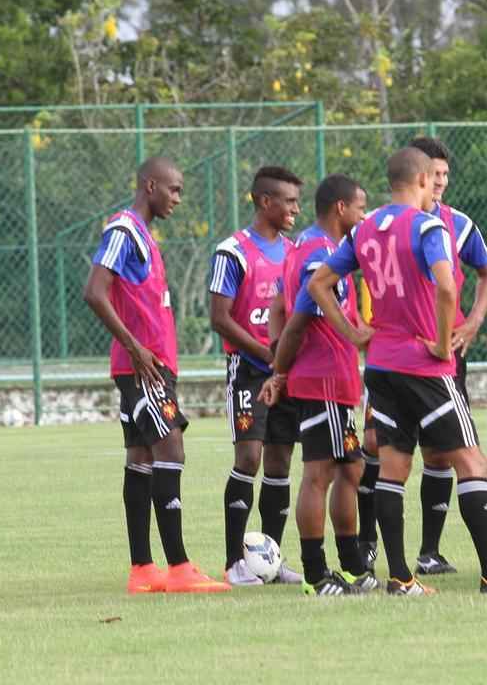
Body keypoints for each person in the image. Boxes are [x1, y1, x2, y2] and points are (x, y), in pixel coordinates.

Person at [308, 147, 487, 596]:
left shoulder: (364, 229)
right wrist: (439, 342)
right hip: (425, 366)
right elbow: (446, 286)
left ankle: (401, 578)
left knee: (393, 468)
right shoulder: (427, 226)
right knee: (472, 462)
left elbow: (318, 283)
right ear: (421, 180)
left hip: (381, 365)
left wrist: (354, 334)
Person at [83, 156, 229, 594]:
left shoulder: (144, 236)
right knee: (171, 447)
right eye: (174, 189)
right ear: (150, 186)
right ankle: (180, 567)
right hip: (142, 366)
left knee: (141, 458)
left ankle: (143, 569)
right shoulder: (123, 230)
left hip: (148, 364)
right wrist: (134, 347)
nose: (178, 198)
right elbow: (94, 291)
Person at [356, 135, 487, 578]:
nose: (440, 182)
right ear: (419, 176)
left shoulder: (456, 224)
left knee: (431, 456)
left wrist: (472, 322)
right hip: (421, 357)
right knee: (386, 448)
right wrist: (362, 329)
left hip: (408, 356)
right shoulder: (408, 225)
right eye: (434, 174)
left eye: (445, 175)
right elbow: (444, 286)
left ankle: (421, 559)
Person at [259, 174, 378, 595]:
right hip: (322, 377)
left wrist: (280, 362)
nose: (364, 216)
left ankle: (351, 566)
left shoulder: (306, 247)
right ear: (341, 208)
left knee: (350, 468)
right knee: (319, 473)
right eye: (361, 208)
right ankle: (314, 573)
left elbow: (277, 306)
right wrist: (280, 371)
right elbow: (297, 319)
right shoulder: (318, 253)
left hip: (335, 377)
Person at [209, 166, 304, 587]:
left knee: (280, 462)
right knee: (249, 458)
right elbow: (220, 318)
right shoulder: (232, 252)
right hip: (249, 369)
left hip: (285, 374)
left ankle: (272, 560)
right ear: (266, 202)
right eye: (289, 201)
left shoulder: (295, 252)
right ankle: (235, 562)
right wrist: (266, 353)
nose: (296, 209)